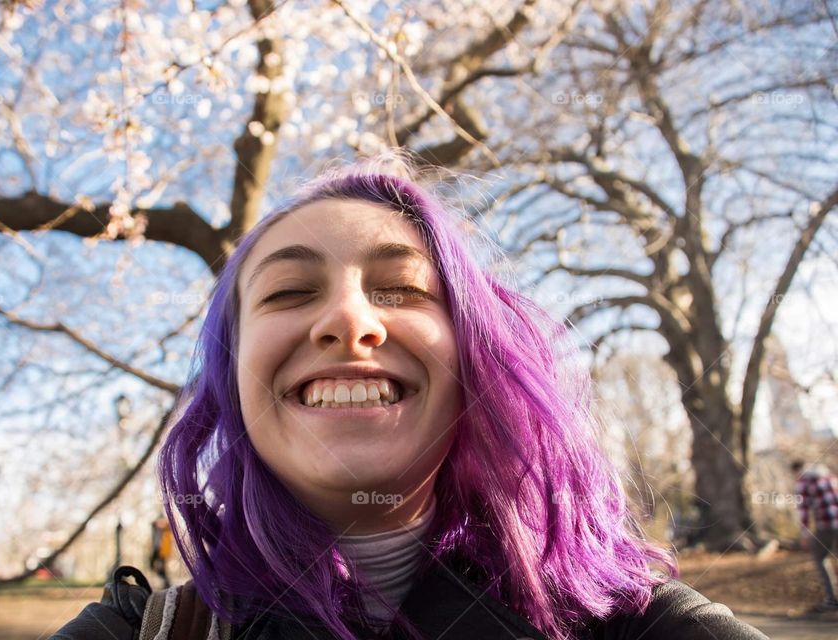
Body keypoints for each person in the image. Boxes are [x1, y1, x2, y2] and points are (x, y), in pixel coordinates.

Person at [52, 154, 767, 639]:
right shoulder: (142, 631)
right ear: (232, 380)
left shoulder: (633, 624)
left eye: (401, 289)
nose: (348, 321)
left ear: (477, 358)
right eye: (289, 292)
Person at [792, 459, 838, 611]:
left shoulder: (804, 482)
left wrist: (804, 533)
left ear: (796, 471)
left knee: (820, 558)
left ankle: (832, 599)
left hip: (826, 526)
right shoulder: (828, 476)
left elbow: (804, 510)